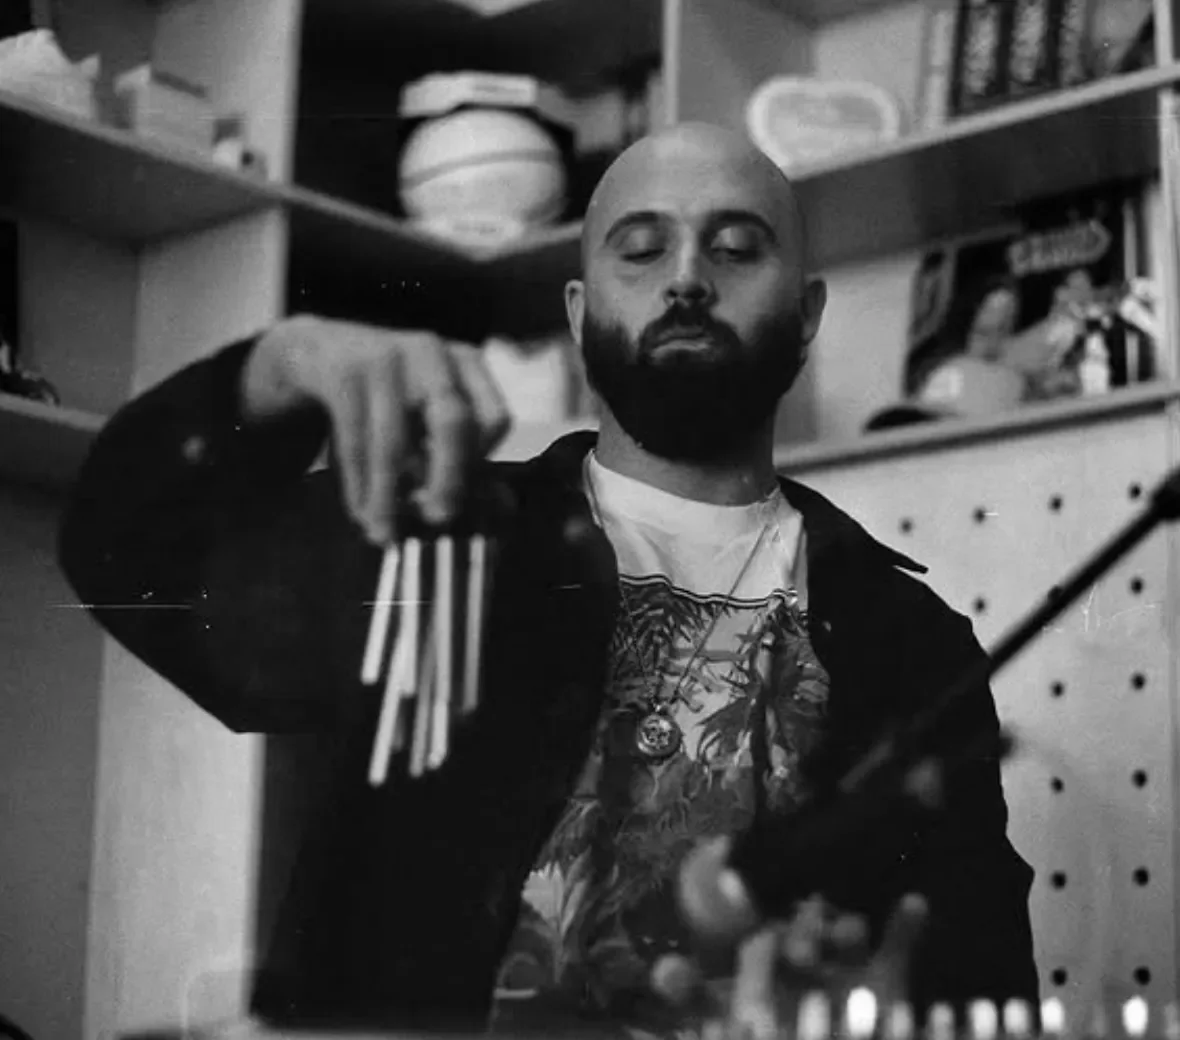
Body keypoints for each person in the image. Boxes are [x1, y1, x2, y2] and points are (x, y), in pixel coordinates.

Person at [58, 122, 1038, 1038]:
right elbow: (129, 551)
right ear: (579, 312)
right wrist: (274, 367)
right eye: (640, 249)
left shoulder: (904, 636)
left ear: (807, 311)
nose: (687, 277)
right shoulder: (438, 533)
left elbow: (979, 977)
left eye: (737, 248)